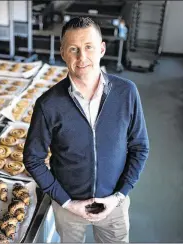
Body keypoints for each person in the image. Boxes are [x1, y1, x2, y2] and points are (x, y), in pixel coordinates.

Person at [23, 17, 149, 243]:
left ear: (101, 49)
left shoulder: (126, 93)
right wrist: (65, 201)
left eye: (89, 47)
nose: (82, 57)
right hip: (69, 209)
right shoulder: (48, 104)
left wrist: (119, 195)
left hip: (114, 205)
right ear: (62, 53)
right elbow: (33, 159)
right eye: (74, 49)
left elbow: (140, 147)